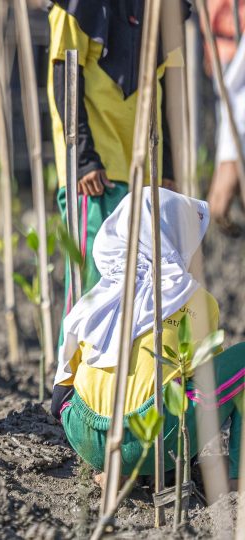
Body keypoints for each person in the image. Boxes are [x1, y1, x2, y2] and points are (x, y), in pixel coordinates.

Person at [50, 188, 245, 487]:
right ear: (174, 241)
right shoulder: (198, 302)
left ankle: (119, 468)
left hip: (82, 431)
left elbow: (57, 400)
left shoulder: (97, 297)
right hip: (150, 436)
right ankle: (234, 474)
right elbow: (201, 384)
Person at [46, 1, 181, 309]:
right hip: (97, 174)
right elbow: (64, 76)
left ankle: (124, 359)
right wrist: (83, 159)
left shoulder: (162, 10)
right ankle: (79, 358)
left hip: (146, 171)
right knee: (92, 285)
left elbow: (169, 90)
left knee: (143, 290)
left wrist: (168, 167)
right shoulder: (73, 9)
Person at [202, 0, 245, 234]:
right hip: (228, 52)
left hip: (228, 52)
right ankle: (219, 205)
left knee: (232, 129)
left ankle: (220, 204)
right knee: (233, 126)